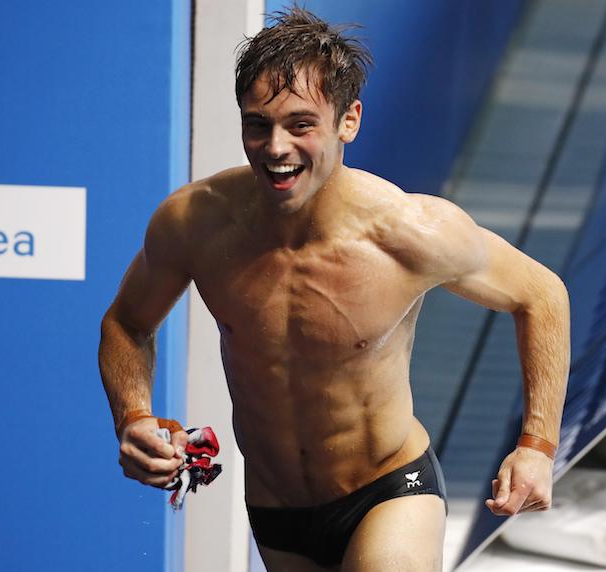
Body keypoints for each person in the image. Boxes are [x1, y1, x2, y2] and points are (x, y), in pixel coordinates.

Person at [99, 7, 570, 572]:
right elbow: (127, 324)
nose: (275, 147)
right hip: (276, 509)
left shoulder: (409, 233)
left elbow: (541, 294)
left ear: (348, 121)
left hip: (389, 490)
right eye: (257, 124)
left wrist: (537, 447)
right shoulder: (193, 224)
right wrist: (134, 417)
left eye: (301, 125)